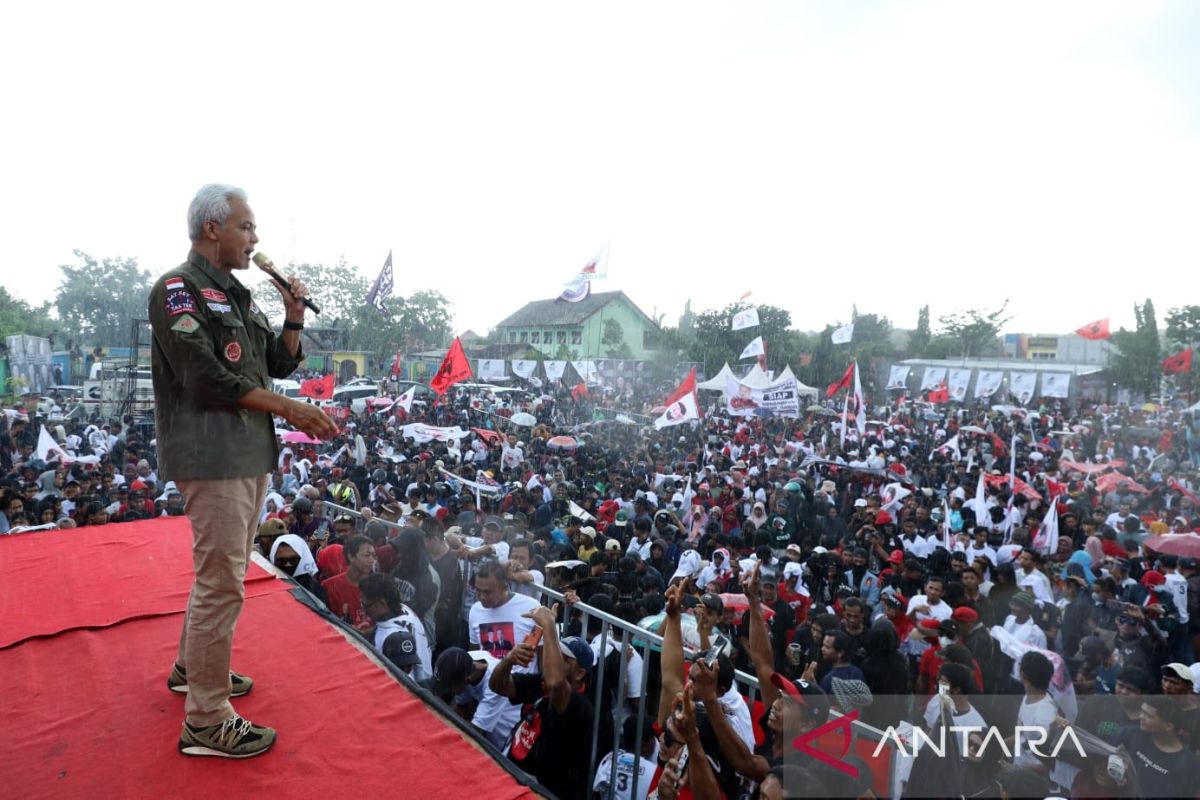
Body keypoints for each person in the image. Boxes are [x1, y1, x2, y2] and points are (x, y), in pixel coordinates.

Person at [154, 184, 337, 759]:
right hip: (211, 456)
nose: (256, 239)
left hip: (246, 454)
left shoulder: (241, 298)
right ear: (213, 228)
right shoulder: (178, 291)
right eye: (247, 227)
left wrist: (292, 318)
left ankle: (193, 669)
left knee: (218, 571)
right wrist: (289, 408)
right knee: (222, 583)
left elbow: (277, 364)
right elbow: (205, 378)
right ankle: (206, 720)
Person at [490, 603, 595, 800]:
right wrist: (509, 661)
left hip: (547, 793)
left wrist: (548, 624)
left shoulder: (580, 704)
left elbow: (556, 683)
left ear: (580, 673)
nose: (551, 659)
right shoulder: (539, 683)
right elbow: (498, 685)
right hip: (515, 781)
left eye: (562, 659)